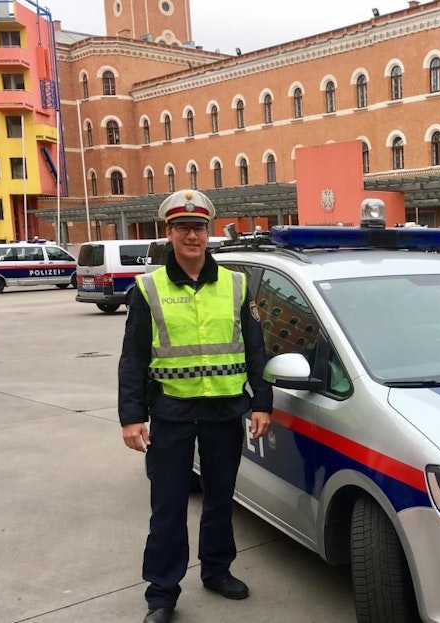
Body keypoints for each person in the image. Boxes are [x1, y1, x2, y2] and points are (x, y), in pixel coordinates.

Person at [118, 189, 273, 623]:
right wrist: (131, 417)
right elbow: (133, 358)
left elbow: (257, 351)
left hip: (225, 412)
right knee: (168, 506)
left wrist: (262, 403)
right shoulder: (148, 289)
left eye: (199, 227)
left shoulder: (236, 285)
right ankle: (162, 594)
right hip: (172, 413)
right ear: (168, 233)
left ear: (208, 233)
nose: (192, 235)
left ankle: (217, 571)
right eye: (183, 227)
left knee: (221, 500)